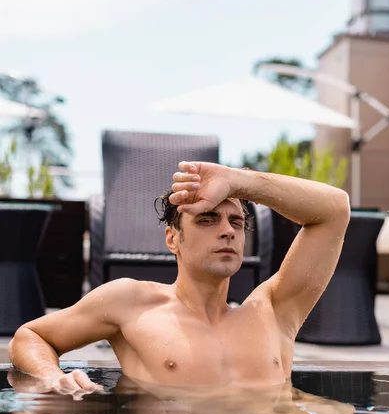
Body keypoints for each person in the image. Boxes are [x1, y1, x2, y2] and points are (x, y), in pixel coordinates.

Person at [8, 161, 350, 394]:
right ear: (173, 239)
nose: (227, 231)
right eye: (207, 219)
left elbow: (334, 210)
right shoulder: (132, 304)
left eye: (236, 222)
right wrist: (54, 379)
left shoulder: (274, 310)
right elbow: (30, 336)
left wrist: (239, 182)